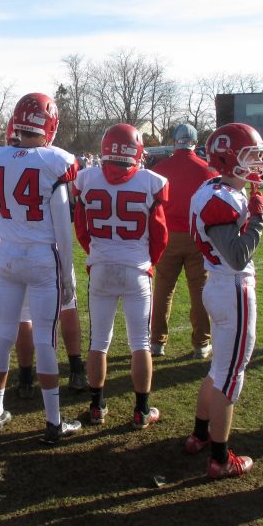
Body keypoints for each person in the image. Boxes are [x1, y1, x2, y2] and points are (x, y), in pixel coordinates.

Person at [0, 93, 81, 442]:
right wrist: (66, 274)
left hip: (7, 253)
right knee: (45, 340)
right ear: (50, 123)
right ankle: (53, 421)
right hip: (42, 257)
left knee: (4, 333)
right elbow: (63, 230)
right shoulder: (56, 162)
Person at [183, 122, 263, 479]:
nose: (258, 162)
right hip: (233, 286)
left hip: (220, 285)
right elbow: (237, 254)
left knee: (219, 369)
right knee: (231, 375)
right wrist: (259, 219)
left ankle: (200, 436)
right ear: (230, 158)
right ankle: (220, 459)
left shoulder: (212, 188)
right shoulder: (220, 198)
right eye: (251, 155)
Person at [74, 122, 168, 433]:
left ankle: (97, 406)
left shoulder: (85, 178)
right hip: (136, 268)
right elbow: (160, 234)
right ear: (137, 150)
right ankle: (141, 410)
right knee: (139, 342)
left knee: (98, 342)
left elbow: (81, 229)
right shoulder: (150, 181)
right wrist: (145, 261)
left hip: (101, 266)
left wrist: (98, 253)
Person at [150, 123, 215, 358]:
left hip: (167, 235)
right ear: (195, 143)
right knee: (199, 291)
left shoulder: (160, 169)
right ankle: (201, 343)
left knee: (163, 290)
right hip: (197, 235)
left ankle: (157, 341)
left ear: (174, 141)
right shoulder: (208, 169)